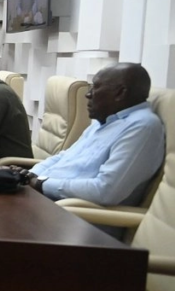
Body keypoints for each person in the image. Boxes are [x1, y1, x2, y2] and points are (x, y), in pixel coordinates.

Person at [21, 63, 164, 206]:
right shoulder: (105, 119)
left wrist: (40, 183)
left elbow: (104, 191)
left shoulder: (142, 127)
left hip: (71, 211)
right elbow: (64, 157)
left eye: (96, 87)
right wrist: (27, 176)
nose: (88, 94)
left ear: (120, 93)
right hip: (44, 197)